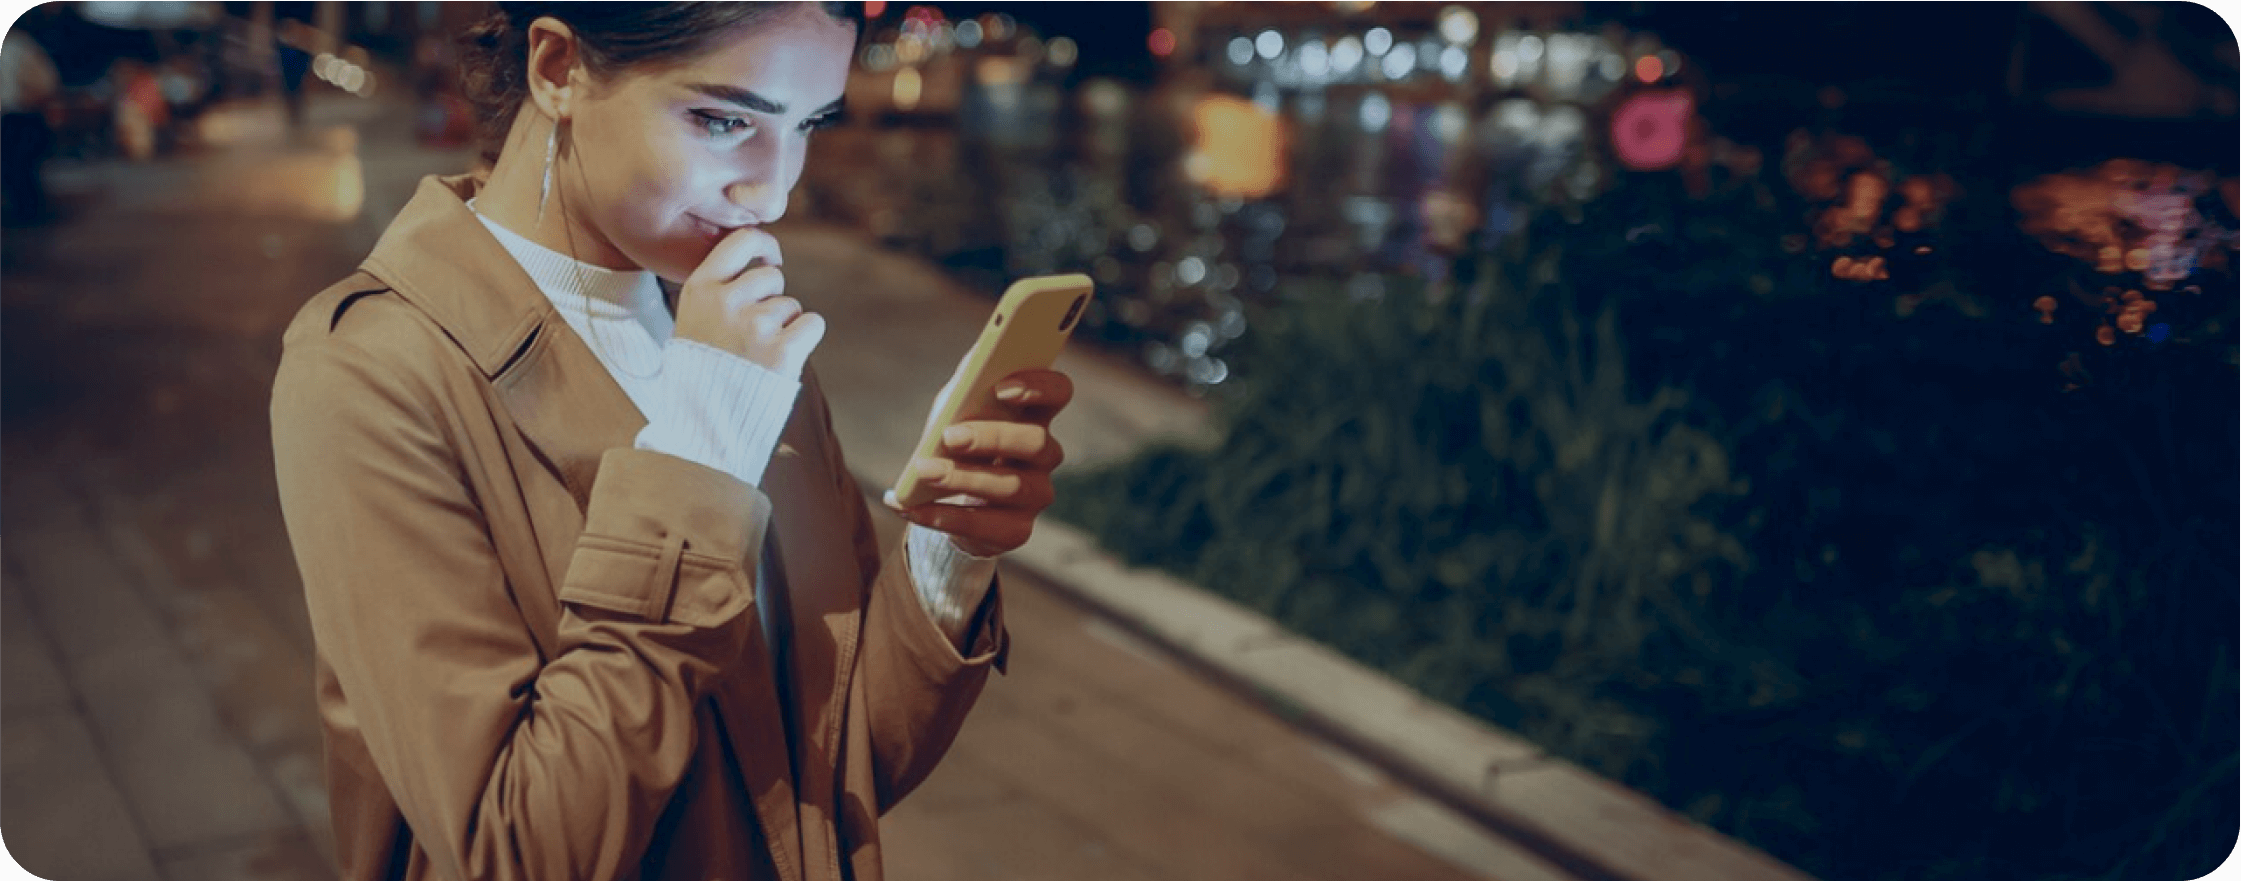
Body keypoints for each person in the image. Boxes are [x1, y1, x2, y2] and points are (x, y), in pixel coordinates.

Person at [269, 4, 1074, 880]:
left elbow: (829, 770)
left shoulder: (745, 334)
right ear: (556, 68)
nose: (773, 193)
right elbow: (519, 847)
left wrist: (948, 553)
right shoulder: (370, 369)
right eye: (724, 120)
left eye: (804, 125)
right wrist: (700, 449)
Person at [1, 24, 59, 224]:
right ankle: (25, 211)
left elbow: (46, 83)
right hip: (15, 117)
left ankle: (28, 213)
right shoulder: (19, 45)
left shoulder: (18, 46)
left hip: (20, 118)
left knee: (19, 168)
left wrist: (29, 97)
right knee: (14, 169)